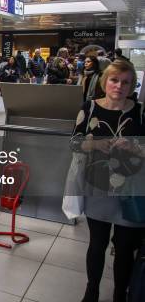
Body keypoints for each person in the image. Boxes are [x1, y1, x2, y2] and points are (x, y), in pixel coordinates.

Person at [70, 60, 145, 302]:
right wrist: (96, 143)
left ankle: (120, 293)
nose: (119, 86)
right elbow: (74, 142)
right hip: (98, 186)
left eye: (126, 82)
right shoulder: (90, 108)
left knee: (125, 249)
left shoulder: (140, 111)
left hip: (131, 190)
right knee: (97, 243)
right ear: (105, 82)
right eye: (114, 80)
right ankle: (91, 289)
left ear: (132, 85)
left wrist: (135, 147)